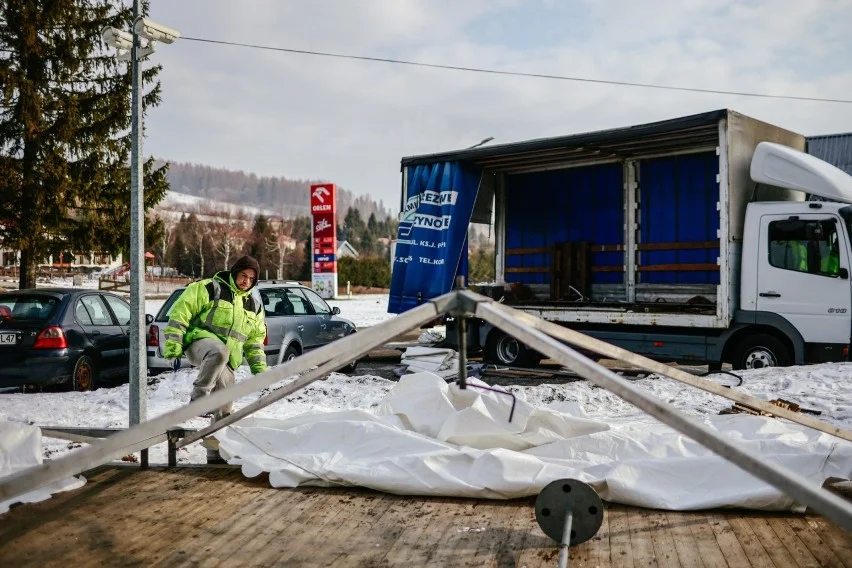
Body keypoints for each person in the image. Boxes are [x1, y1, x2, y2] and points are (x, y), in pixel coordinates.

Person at [163, 255, 268, 427]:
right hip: (199, 344)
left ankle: (216, 450)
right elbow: (180, 313)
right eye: (243, 275)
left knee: (225, 406)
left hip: (226, 360)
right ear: (234, 273)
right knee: (219, 351)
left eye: (251, 278)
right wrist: (174, 346)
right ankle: (199, 400)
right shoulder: (211, 288)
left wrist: (261, 372)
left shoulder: (253, 306)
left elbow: (254, 342)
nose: (246, 281)